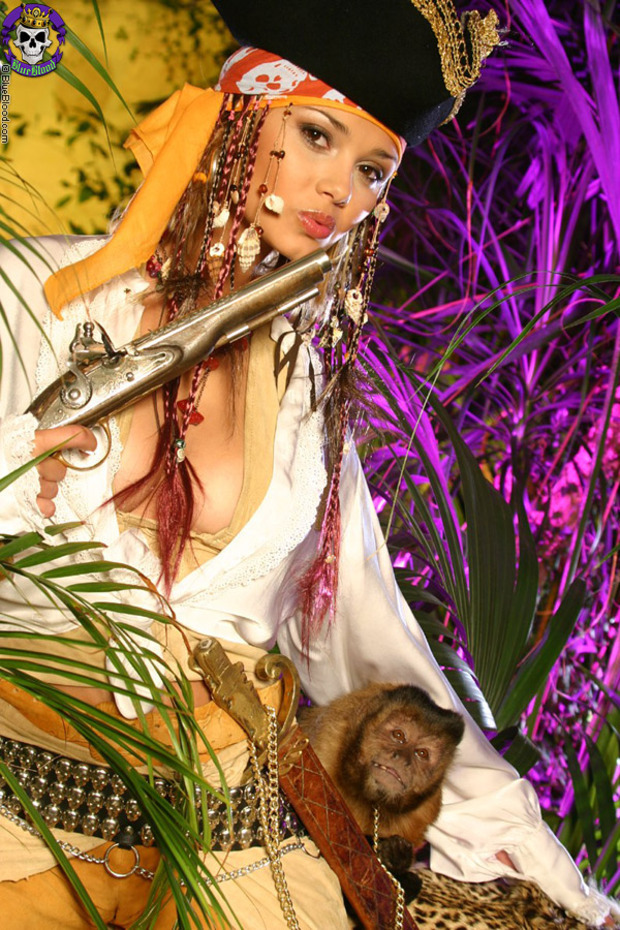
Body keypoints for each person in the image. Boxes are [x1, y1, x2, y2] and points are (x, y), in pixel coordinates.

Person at [0, 1, 616, 927]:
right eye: (317, 135)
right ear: (240, 115)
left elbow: (368, 639)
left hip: (228, 843)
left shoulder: (308, 399)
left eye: (372, 170)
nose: (340, 190)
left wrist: (536, 861)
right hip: (19, 807)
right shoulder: (36, 295)